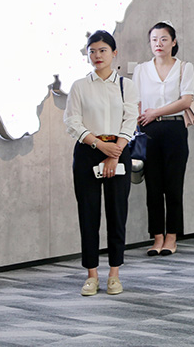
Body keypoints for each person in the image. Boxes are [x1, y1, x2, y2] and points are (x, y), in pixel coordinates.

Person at [64, 30, 139, 296]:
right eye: (92, 51)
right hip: (88, 151)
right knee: (88, 214)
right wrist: (98, 144)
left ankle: (114, 274)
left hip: (119, 150)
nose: (97, 55)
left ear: (114, 53)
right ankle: (92, 275)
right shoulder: (79, 86)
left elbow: (130, 120)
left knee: (117, 213)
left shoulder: (127, 85)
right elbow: (72, 121)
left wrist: (114, 152)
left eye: (103, 50)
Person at [132, 22, 194, 256]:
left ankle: (172, 237)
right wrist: (137, 124)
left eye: (164, 39)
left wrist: (155, 112)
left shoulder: (184, 67)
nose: (158, 44)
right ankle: (157, 237)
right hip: (148, 130)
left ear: (173, 42)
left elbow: (186, 101)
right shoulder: (141, 69)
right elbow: (136, 101)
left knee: (174, 186)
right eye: (154, 39)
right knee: (153, 187)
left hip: (174, 129)